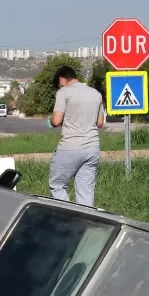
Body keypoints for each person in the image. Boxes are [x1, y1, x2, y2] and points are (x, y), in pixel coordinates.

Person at [49, 65, 105, 207]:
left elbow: (56, 121)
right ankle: (85, 222)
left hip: (70, 147)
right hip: (92, 148)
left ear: (62, 79)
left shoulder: (64, 92)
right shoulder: (95, 93)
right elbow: (100, 123)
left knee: (57, 185)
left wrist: (50, 119)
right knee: (85, 191)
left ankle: (66, 218)